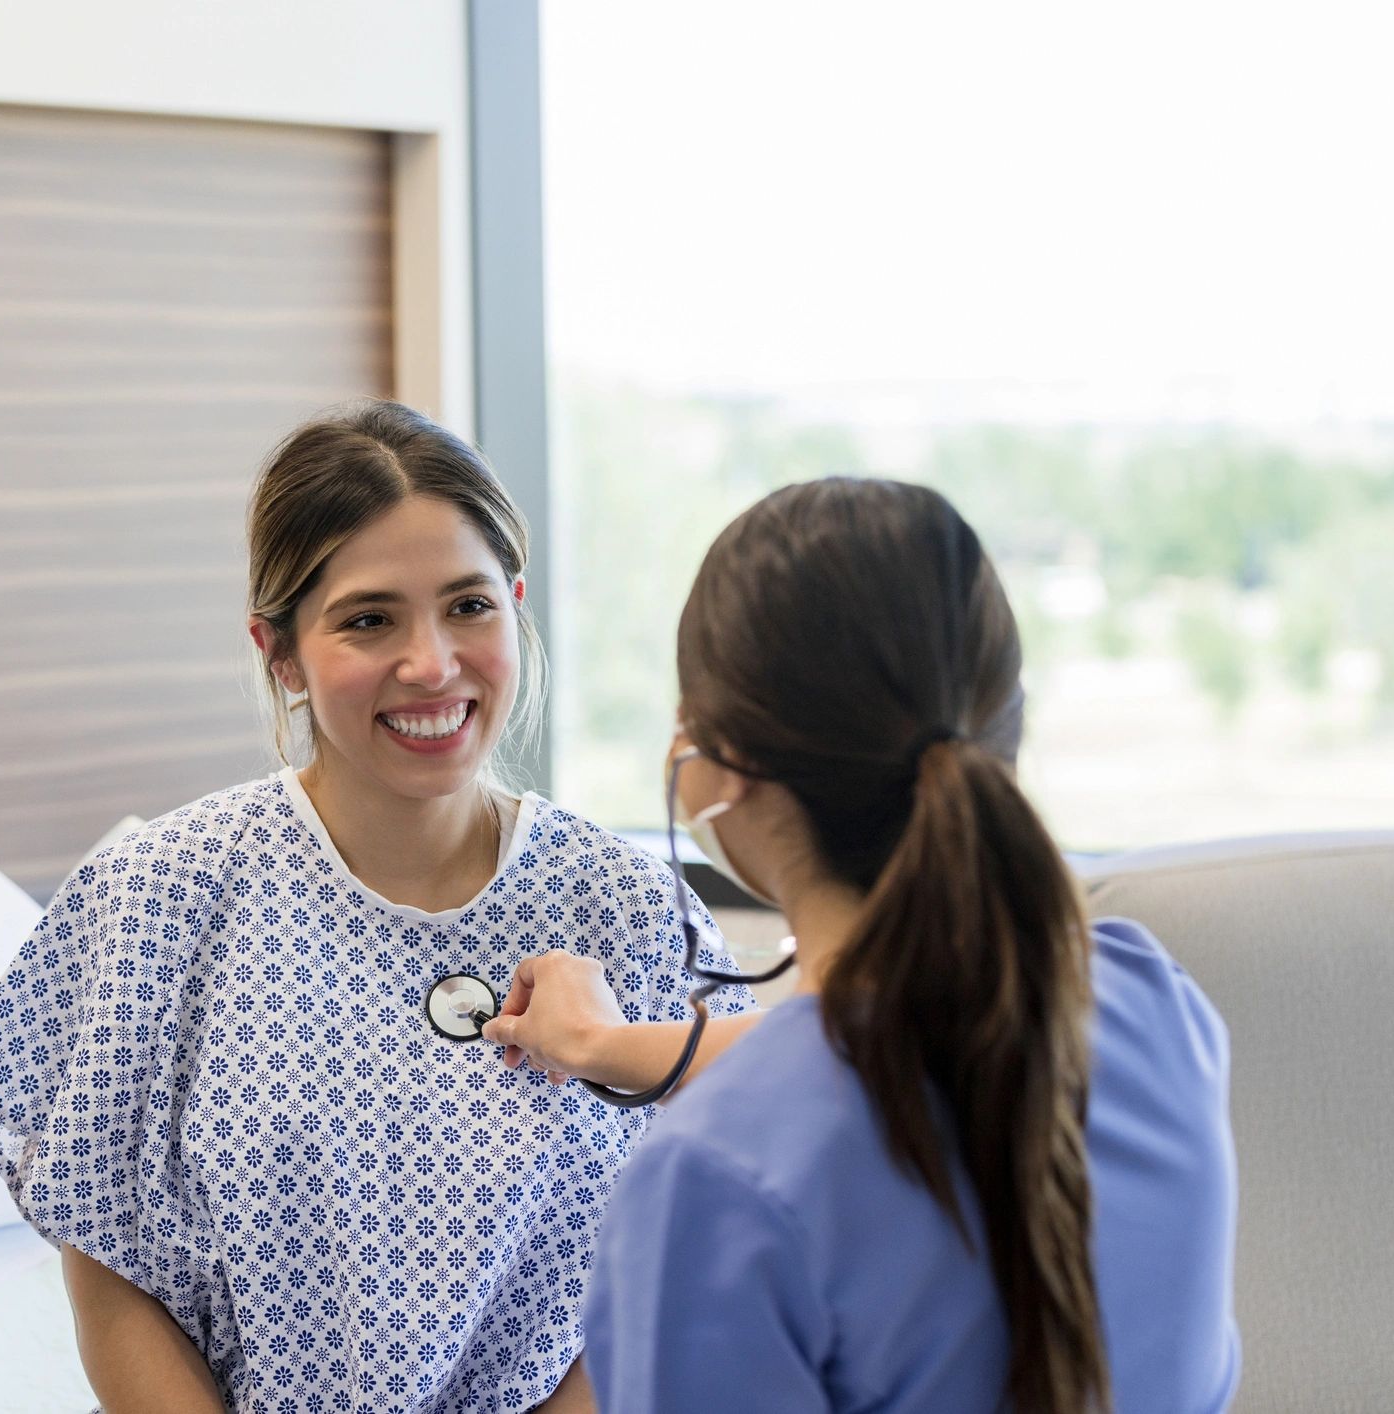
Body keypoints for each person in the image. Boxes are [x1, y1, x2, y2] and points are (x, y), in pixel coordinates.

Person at [0, 400, 752, 1414]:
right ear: (280, 654)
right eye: (369, 619)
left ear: (516, 605)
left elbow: (691, 1244)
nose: (432, 663)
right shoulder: (160, 895)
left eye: (469, 606)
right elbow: (107, 1267)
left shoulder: (625, 905)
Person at [483, 479, 1240, 1413]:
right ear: (1001, 723)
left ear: (714, 773)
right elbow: (886, 1051)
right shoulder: (1150, 1004)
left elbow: (827, 1090)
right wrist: (605, 1045)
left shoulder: (714, 1178)